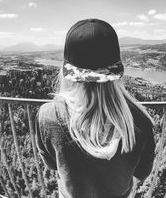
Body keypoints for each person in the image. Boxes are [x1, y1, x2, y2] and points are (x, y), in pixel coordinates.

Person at [35, 19, 156, 198]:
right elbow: (143, 172)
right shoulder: (139, 121)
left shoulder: (48, 115)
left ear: (67, 70)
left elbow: (52, 164)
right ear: (116, 71)